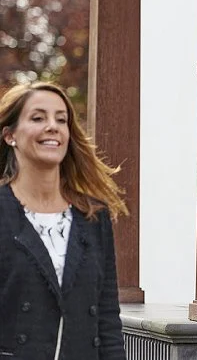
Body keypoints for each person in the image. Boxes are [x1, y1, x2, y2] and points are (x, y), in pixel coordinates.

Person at [0, 82, 129, 359]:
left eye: (61, 119)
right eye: (38, 118)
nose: (52, 126)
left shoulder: (93, 216)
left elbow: (107, 318)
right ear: (10, 135)